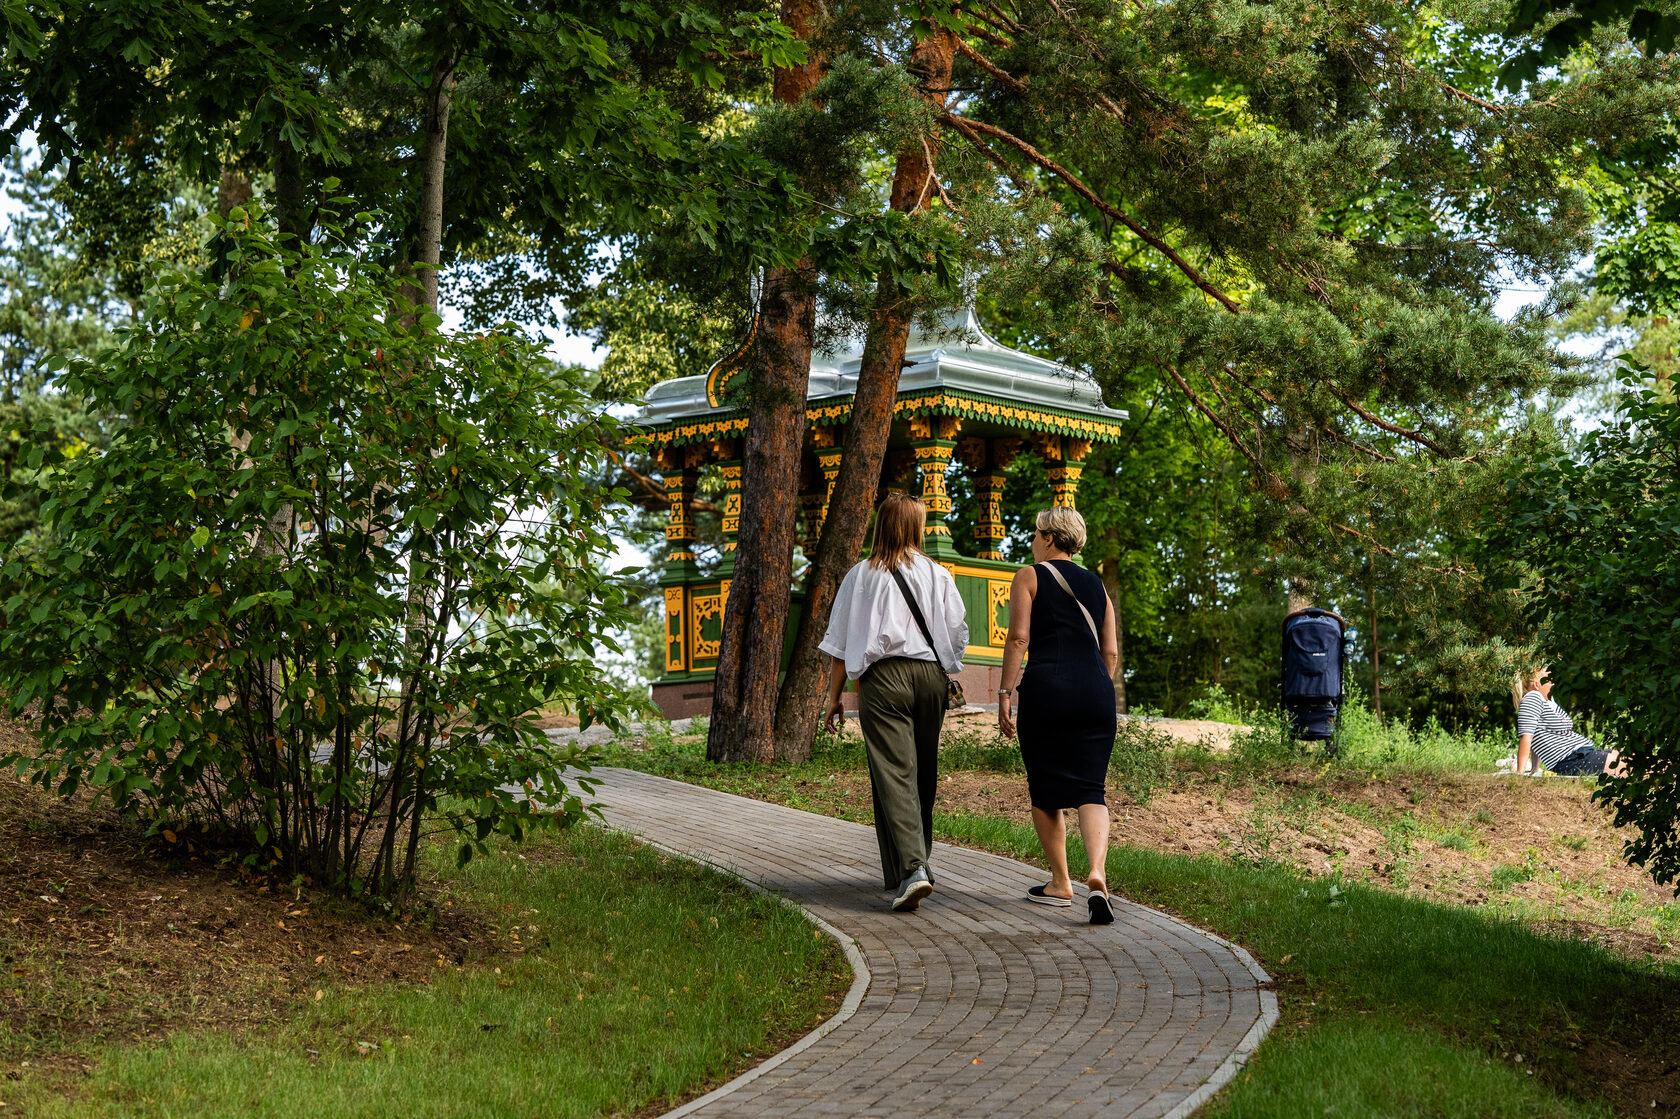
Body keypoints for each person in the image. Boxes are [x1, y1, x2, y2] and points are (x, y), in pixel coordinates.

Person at [821, 493, 969, 912]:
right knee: (921, 773)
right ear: (916, 527)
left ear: (882, 525)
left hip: (883, 680)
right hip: (931, 677)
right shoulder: (938, 574)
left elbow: (839, 646)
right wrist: (944, 663)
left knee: (893, 773)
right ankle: (910, 867)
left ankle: (913, 869)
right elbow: (957, 632)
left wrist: (835, 697)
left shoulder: (860, 576)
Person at [997, 507, 1121, 925]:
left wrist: (1004, 693)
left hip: (1046, 691)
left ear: (1049, 538)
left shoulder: (1028, 576)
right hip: (1096, 693)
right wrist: (1093, 687)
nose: (1033, 541)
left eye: (1036, 534)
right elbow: (1110, 652)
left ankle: (1061, 882)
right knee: (1092, 789)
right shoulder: (1097, 587)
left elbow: (1018, 639)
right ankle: (1097, 873)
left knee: (1045, 788)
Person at [1514, 666, 1628, 778]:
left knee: (1632, 758)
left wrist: (1534, 769)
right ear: (1536, 685)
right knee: (1629, 766)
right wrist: (1520, 772)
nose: (1553, 682)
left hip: (1581, 754)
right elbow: (1527, 736)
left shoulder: (1547, 701)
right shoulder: (1532, 697)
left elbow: (1536, 735)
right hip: (1572, 760)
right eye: (1549, 680)